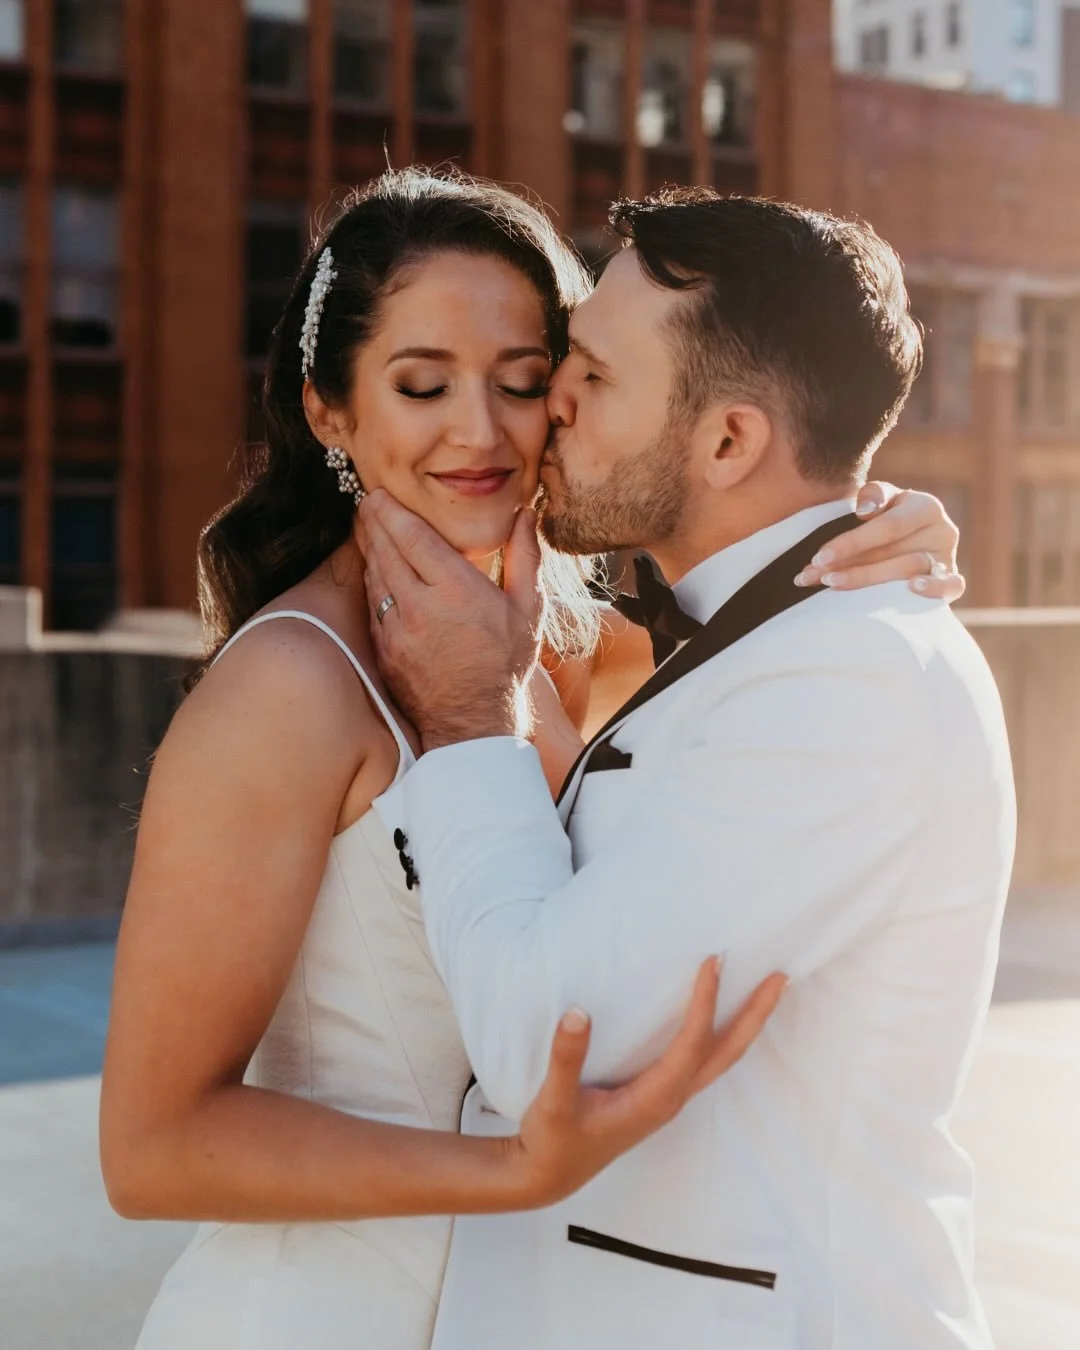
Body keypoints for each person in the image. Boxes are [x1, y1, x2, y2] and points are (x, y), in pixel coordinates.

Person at [99, 170, 966, 1350]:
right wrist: (508, 1173)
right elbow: (150, 1148)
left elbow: (755, 600)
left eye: (530, 382)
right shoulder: (285, 689)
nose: (484, 430)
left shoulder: (579, 653)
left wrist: (863, 521)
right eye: (421, 385)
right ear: (327, 412)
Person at [357, 189, 1016, 1350]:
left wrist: (468, 715)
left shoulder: (847, 680)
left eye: (595, 377)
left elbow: (540, 1041)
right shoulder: (774, 633)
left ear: (728, 441)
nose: (550, 401)